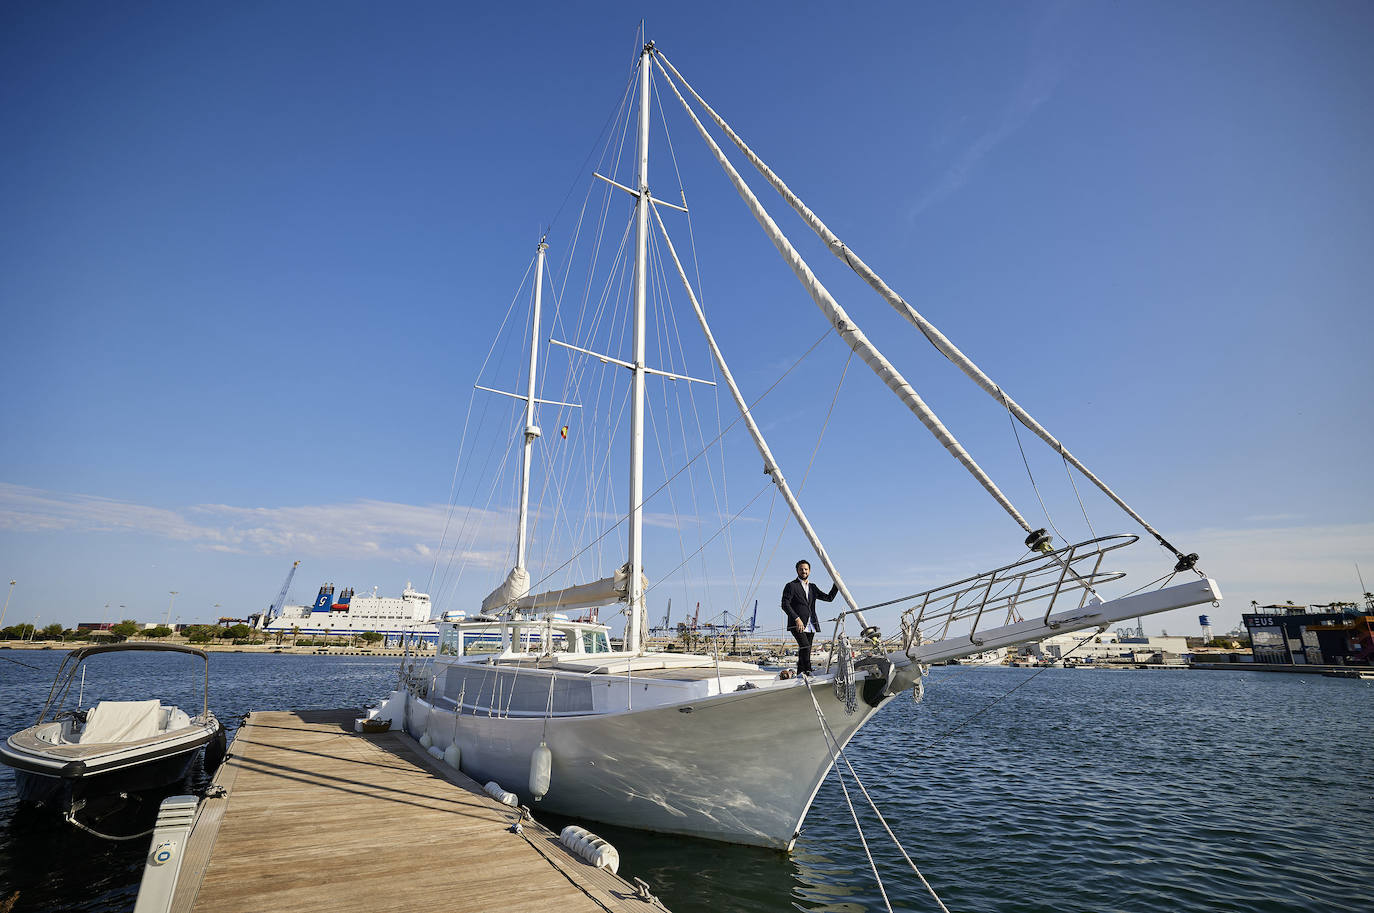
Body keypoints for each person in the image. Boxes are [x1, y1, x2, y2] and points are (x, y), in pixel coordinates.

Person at [781, 559, 838, 676]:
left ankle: (801, 673)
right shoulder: (791, 586)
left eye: (806, 569)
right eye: (801, 569)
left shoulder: (813, 587)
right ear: (797, 570)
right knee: (805, 646)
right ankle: (808, 671)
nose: (803, 571)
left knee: (806, 648)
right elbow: (785, 604)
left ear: (809, 571)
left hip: (811, 623)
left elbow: (829, 598)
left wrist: (836, 583)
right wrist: (797, 618)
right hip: (797, 623)